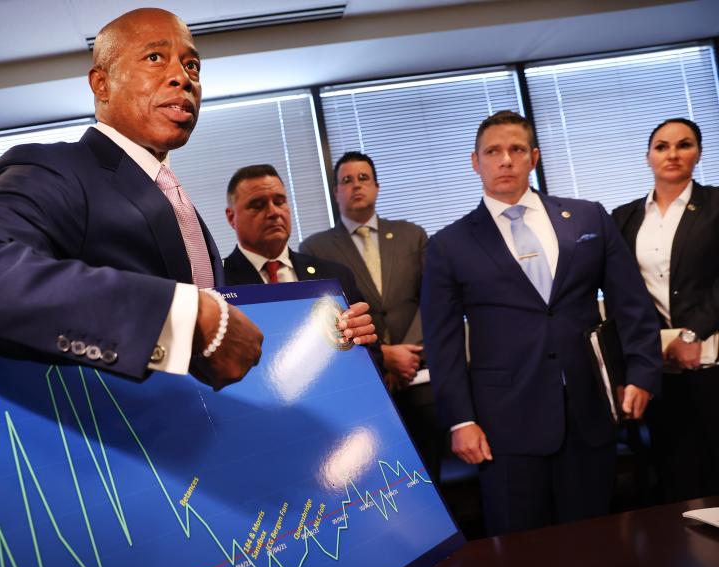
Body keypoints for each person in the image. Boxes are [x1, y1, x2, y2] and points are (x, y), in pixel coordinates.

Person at [0, 9, 372, 390]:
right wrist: (181, 316)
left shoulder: (172, 197)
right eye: (156, 57)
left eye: (192, 66)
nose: (182, 77)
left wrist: (322, 333)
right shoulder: (57, 169)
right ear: (101, 84)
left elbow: (220, 340)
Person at [421, 110, 661, 536]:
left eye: (516, 149)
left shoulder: (588, 218)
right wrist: (460, 420)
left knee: (597, 543)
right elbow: (444, 343)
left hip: (590, 412)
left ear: (533, 157)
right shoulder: (448, 245)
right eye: (493, 151)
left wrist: (642, 372)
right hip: (502, 427)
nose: (505, 160)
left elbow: (632, 304)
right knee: (520, 556)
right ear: (475, 162)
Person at [299, 152, 443, 481]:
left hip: (420, 375)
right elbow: (323, 318)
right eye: (346, 181)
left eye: (363, 178)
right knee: (381, 479)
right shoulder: (314, 249)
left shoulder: (412, 235)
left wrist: (407, 350)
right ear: (336, 192)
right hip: (366, 382)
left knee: (432, 475)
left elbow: (432, 298)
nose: (356, 186)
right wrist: (384, 355)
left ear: (377, 186)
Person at [611, 117, 719, 502]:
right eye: (662, 146)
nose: (672, 154)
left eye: (684, 144)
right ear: (648, 157)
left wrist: (693, 333)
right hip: (658, 367)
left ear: (699, 153)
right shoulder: (624, 218)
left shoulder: (716, 204)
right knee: (679, 474)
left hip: (712, 358)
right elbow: (621, 295)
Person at [222, 164, 365, 308]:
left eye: (279, 202)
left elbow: (365, 328)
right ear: (231, 217)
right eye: (258, 205)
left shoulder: (336, 275)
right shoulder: (216, 282)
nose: (274, 212)